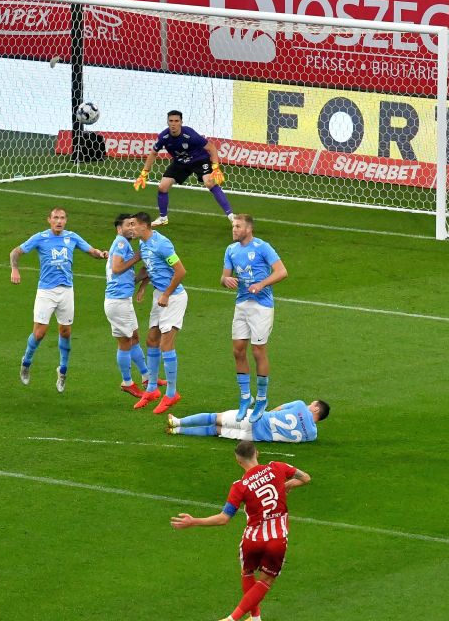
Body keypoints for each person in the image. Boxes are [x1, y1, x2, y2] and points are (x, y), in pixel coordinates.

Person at [170, 440, 311, 621]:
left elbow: (223, 518)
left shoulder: (240, 486)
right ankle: (235, 618)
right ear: (257, 453)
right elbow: (305, 478)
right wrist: (285, 485)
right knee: (266, 580)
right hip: (277, 537)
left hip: (252, 539)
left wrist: (194, 521)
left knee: (247, 573)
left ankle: (254, 618)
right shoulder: (277, 467)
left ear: (238, 461)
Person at [10, 207, 107, 392]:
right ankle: (26, 362)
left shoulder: (72, 237)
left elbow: (91, 251)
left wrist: (101, 254)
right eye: (56, 218)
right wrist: (15, 268)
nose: (59, 221)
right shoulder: (40, 237)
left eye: (62, 218)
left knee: (65, 332)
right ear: (49, 220)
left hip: (66, 291)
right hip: (46, 291)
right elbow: (15, 252)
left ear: (66, 221)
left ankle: (62, 370)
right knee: (39, 333)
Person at [222, 214, 287, 421]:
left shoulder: (262, 247)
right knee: (238, 350)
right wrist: (227, 280)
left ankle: (261, 398)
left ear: (248, 229)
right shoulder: (230, 250)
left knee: (258, 351)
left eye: (238, 226)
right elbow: (223, 277)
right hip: (241, 304)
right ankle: (245, 397)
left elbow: (282, 272)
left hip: (261, 306)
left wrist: (261, 284)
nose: (234, 229)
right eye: (233, 226)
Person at [132, 110, 233, 226]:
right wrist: (144, 173)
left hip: (199, 159)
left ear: (181, 122)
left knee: (210, 182)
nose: (173, 124)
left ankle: (231, 217)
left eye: (176, 121)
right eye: (171, 121)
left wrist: (216, 168)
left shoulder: (190, 134)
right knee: (162, 187)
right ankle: (163, 218)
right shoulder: (164, 136)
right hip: (181, 162)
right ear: (167, 122)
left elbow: (211, 147)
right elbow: (153, 153)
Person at [132, 211, 186, 414]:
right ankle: (153, 388)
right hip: (159, 294)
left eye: (134, 225)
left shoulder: (163, 244)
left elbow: (181, 271)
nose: (131, 228)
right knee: (151, 340)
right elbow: (149, 268)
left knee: (166, 344)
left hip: (174, 297)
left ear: (145, 226)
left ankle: (171, 393)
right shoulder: (143, 244)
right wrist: (143, 287)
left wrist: (167, 295)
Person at [104, 213, 156, 397]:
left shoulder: (123, 244)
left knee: (134, 337)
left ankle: (147, 376)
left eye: (133, 225)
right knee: (125, 342)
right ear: (119, 229)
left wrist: (141, 279)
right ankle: (127, 382)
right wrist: (138, 257)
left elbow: (123, 277)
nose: (131, 228)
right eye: (128, 225)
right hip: (117, 302)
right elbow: (117, 268)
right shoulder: (120, 242)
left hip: (122, 298)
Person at [166, 399, 329, 443]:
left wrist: (265, 415)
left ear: (315, 409)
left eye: (312, 404)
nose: (309, 405)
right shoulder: (312, 435)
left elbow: (279, 408)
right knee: (214, 431)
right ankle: (177, 431)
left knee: (215, 418)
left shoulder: (300, 405)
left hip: (254, 420)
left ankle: (178, 422)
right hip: (253, 437)